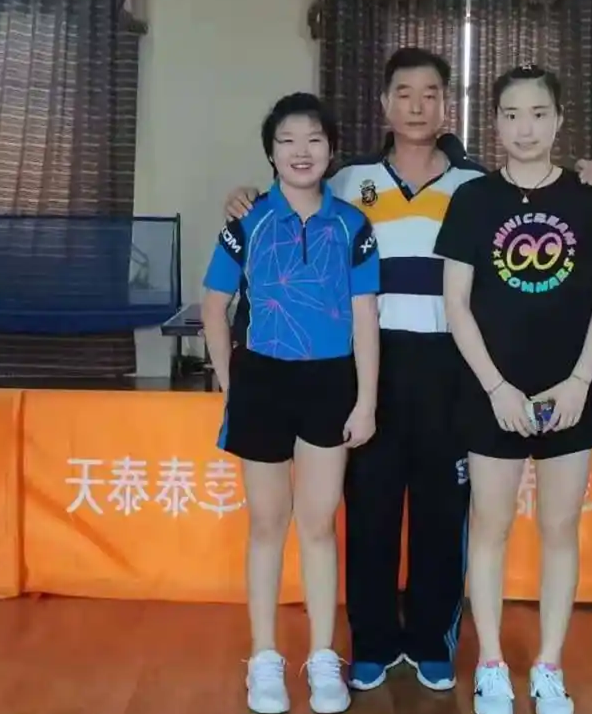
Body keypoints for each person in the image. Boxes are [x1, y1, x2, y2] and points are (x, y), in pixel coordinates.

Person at [222, 48, 592, 694]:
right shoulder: (347, 180)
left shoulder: (475, 186)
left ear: (446, 106)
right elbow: (289, 194)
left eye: (430, 94)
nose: (416, 106)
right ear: (384, 103)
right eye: (403, 93)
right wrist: (243, 196)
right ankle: (372, 642)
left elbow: (542, 193)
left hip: (452, 363)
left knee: (443, 508)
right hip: (369, 362)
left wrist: (589, 173)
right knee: (370, 508)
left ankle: (434, 640)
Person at [434, 65, 592, 714]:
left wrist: (578, 383)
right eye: (512, 114)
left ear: (559, 120)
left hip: (571, 393)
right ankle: (491, 663)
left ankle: (549, 665)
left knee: (559, 528)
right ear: (494, 122)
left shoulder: (590, 198)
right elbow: (456, 304)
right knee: (489, 527)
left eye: (539, 114)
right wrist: (495, 388)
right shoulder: (473, 201)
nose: (526, 128)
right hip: (493, 394)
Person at [201, 92, 380, 714]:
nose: (301, 151)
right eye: (287, 140)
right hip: (262, 382)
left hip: (330, 384)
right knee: (267, 525)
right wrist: (232, 383)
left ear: (331, 150)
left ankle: (324, 656)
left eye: (313, 139)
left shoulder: (353, 226)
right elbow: (214, 306)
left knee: (319, 525)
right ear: (271, 153)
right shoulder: (246, 221)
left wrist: (366, 401)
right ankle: (264, 657)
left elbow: (365, 317)